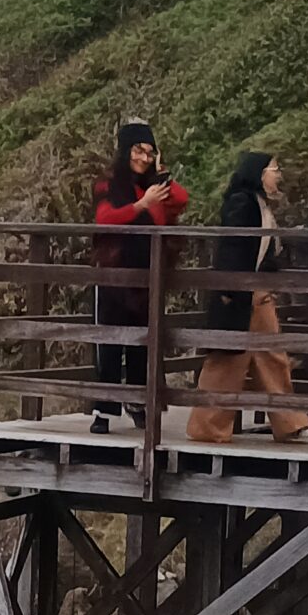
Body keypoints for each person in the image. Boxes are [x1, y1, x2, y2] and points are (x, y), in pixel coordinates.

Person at [187, 152, 308, 444]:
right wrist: (230, 289)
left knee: (274, 357)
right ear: (258, 173)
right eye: (274, 169)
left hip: (257, 291)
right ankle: (207, 427)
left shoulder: (260, 204)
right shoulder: (241, 202)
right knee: (226, 361)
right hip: (238, 292)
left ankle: (290, 422)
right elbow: (232, 247)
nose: (278, 174)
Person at [91, 120, 187, 433]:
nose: (143, 158)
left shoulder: (154, 186)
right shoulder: (107, 184)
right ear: (125, 150)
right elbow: (105, 219)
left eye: (149, 152)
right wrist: (141, 205)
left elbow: (181, 200)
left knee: (141, 345)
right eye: (138, 150)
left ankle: (137, 404)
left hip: (147, 276)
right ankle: (103, 412)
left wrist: (161, 176)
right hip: (113, 275)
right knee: (109, 343)